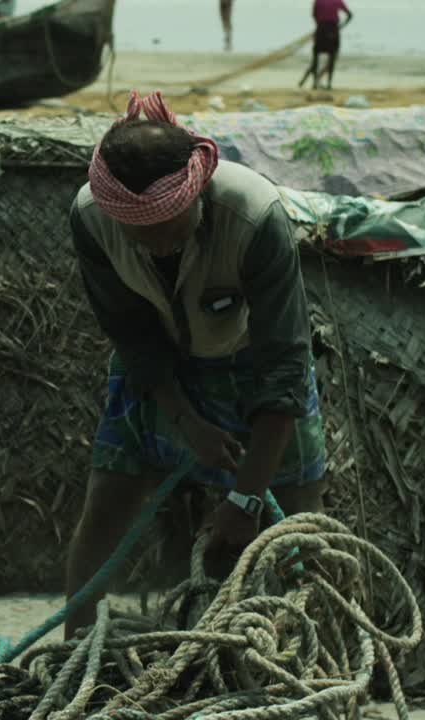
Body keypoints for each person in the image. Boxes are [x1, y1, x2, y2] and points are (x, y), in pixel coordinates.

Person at [62, 91, 326, 640]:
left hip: (252, 359)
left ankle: (307, 652)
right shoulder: (92, 218)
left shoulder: (255, 217)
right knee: (107, 503)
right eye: (141, 232)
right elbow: (131, 334)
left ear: (197, 187)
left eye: (167, 226)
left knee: (296, 525)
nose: (156, 246)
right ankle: (75, 656)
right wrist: (185, 420)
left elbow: (284, 367)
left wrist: (246, 496)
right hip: (159, 367)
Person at [299, 0, 352, 90]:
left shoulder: (318, 1)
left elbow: (314, 15)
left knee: (316, 57)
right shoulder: (337, 1)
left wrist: (319, 25)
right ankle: (329, 83)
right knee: (332, 57)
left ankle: (315, 83)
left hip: (321, 30)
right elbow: (350, 15)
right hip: (333, 30)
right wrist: (341, 26)